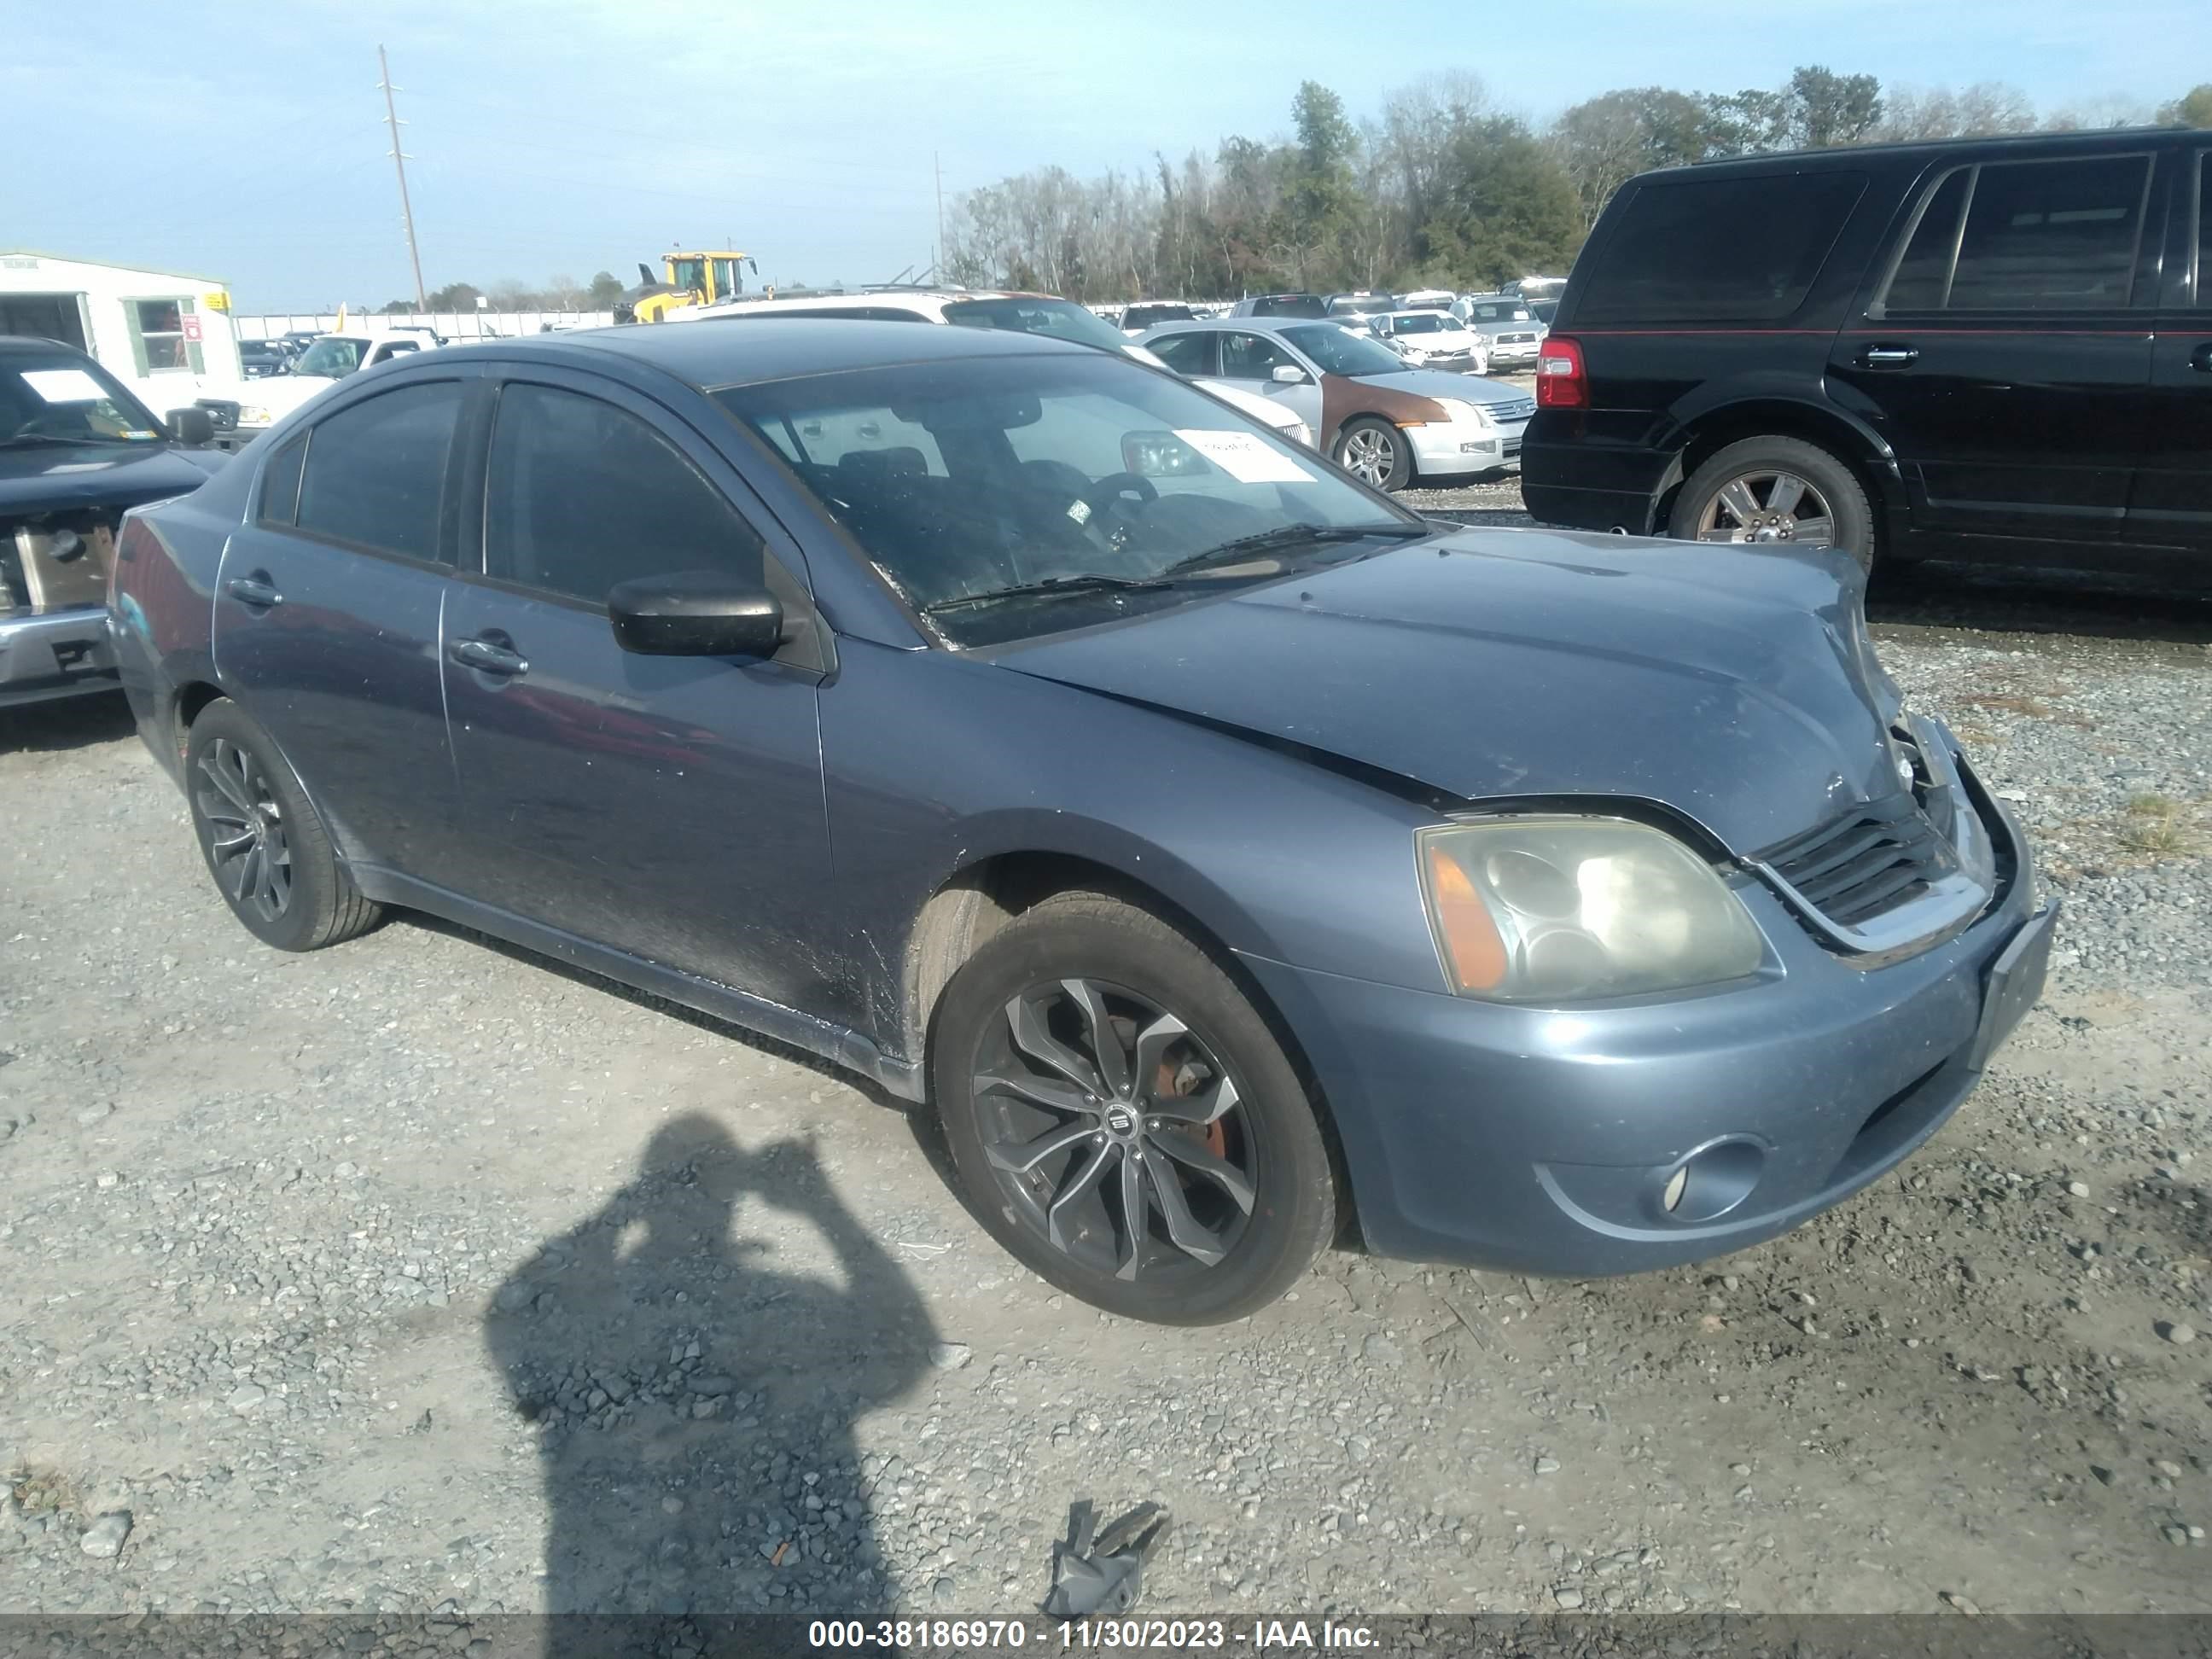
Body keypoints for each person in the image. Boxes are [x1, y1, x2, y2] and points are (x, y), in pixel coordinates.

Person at [486, 1115, 937, 1655]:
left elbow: (513, 1318)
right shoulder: (798, 1300)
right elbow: (906, 1353)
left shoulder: (772, 1299)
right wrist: (824, 1206)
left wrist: (622, 1208)